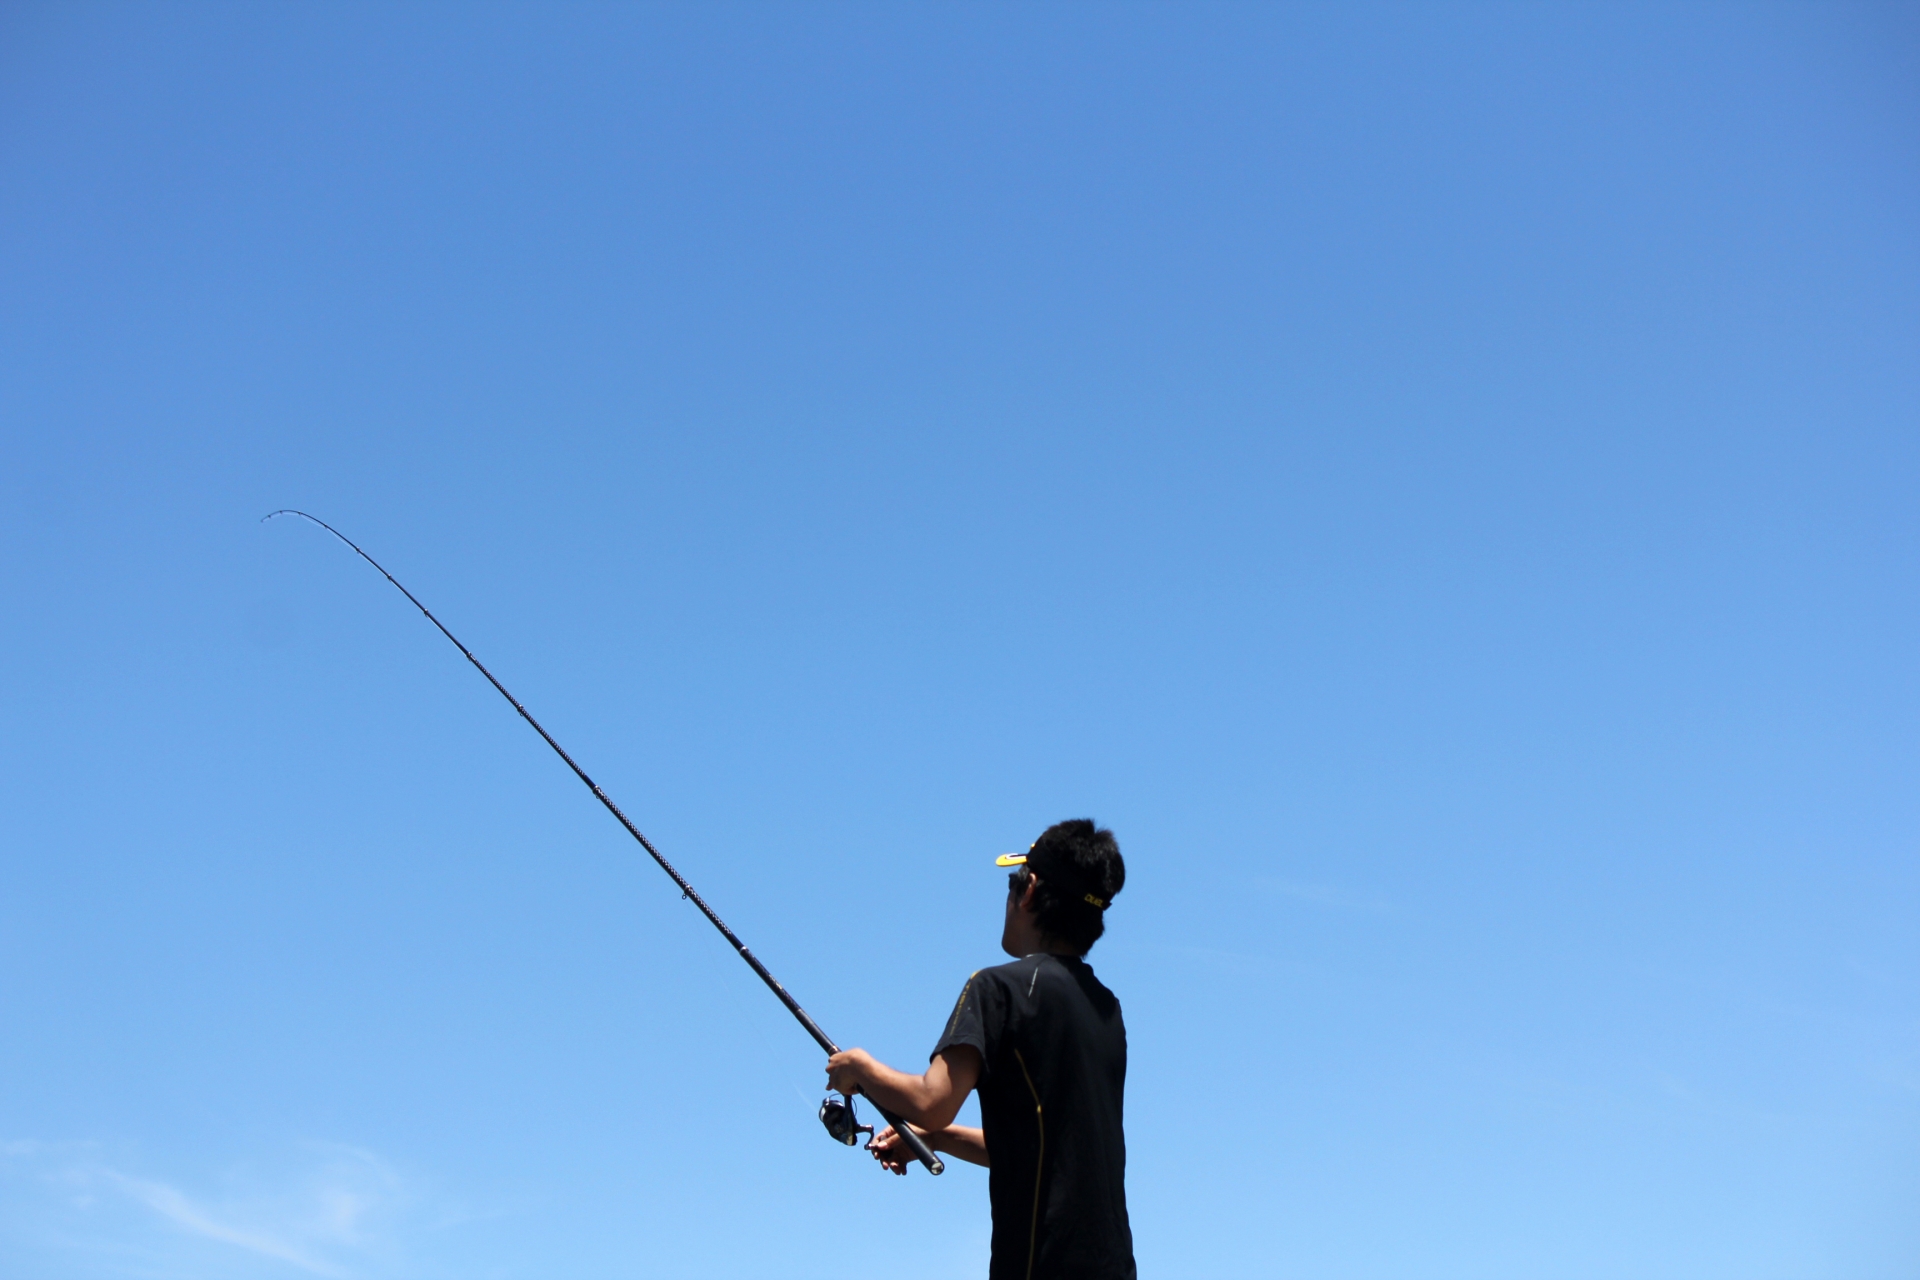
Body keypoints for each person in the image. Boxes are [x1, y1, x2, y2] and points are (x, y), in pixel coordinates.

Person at [826, 819, 1135, 1280]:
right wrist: (938, 1140)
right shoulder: (1106, 1011)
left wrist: (858, 1066)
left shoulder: (997, 989)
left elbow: (932, 1103)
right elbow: (1048, 1151)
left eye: (1013, 883)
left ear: (1029, 890)